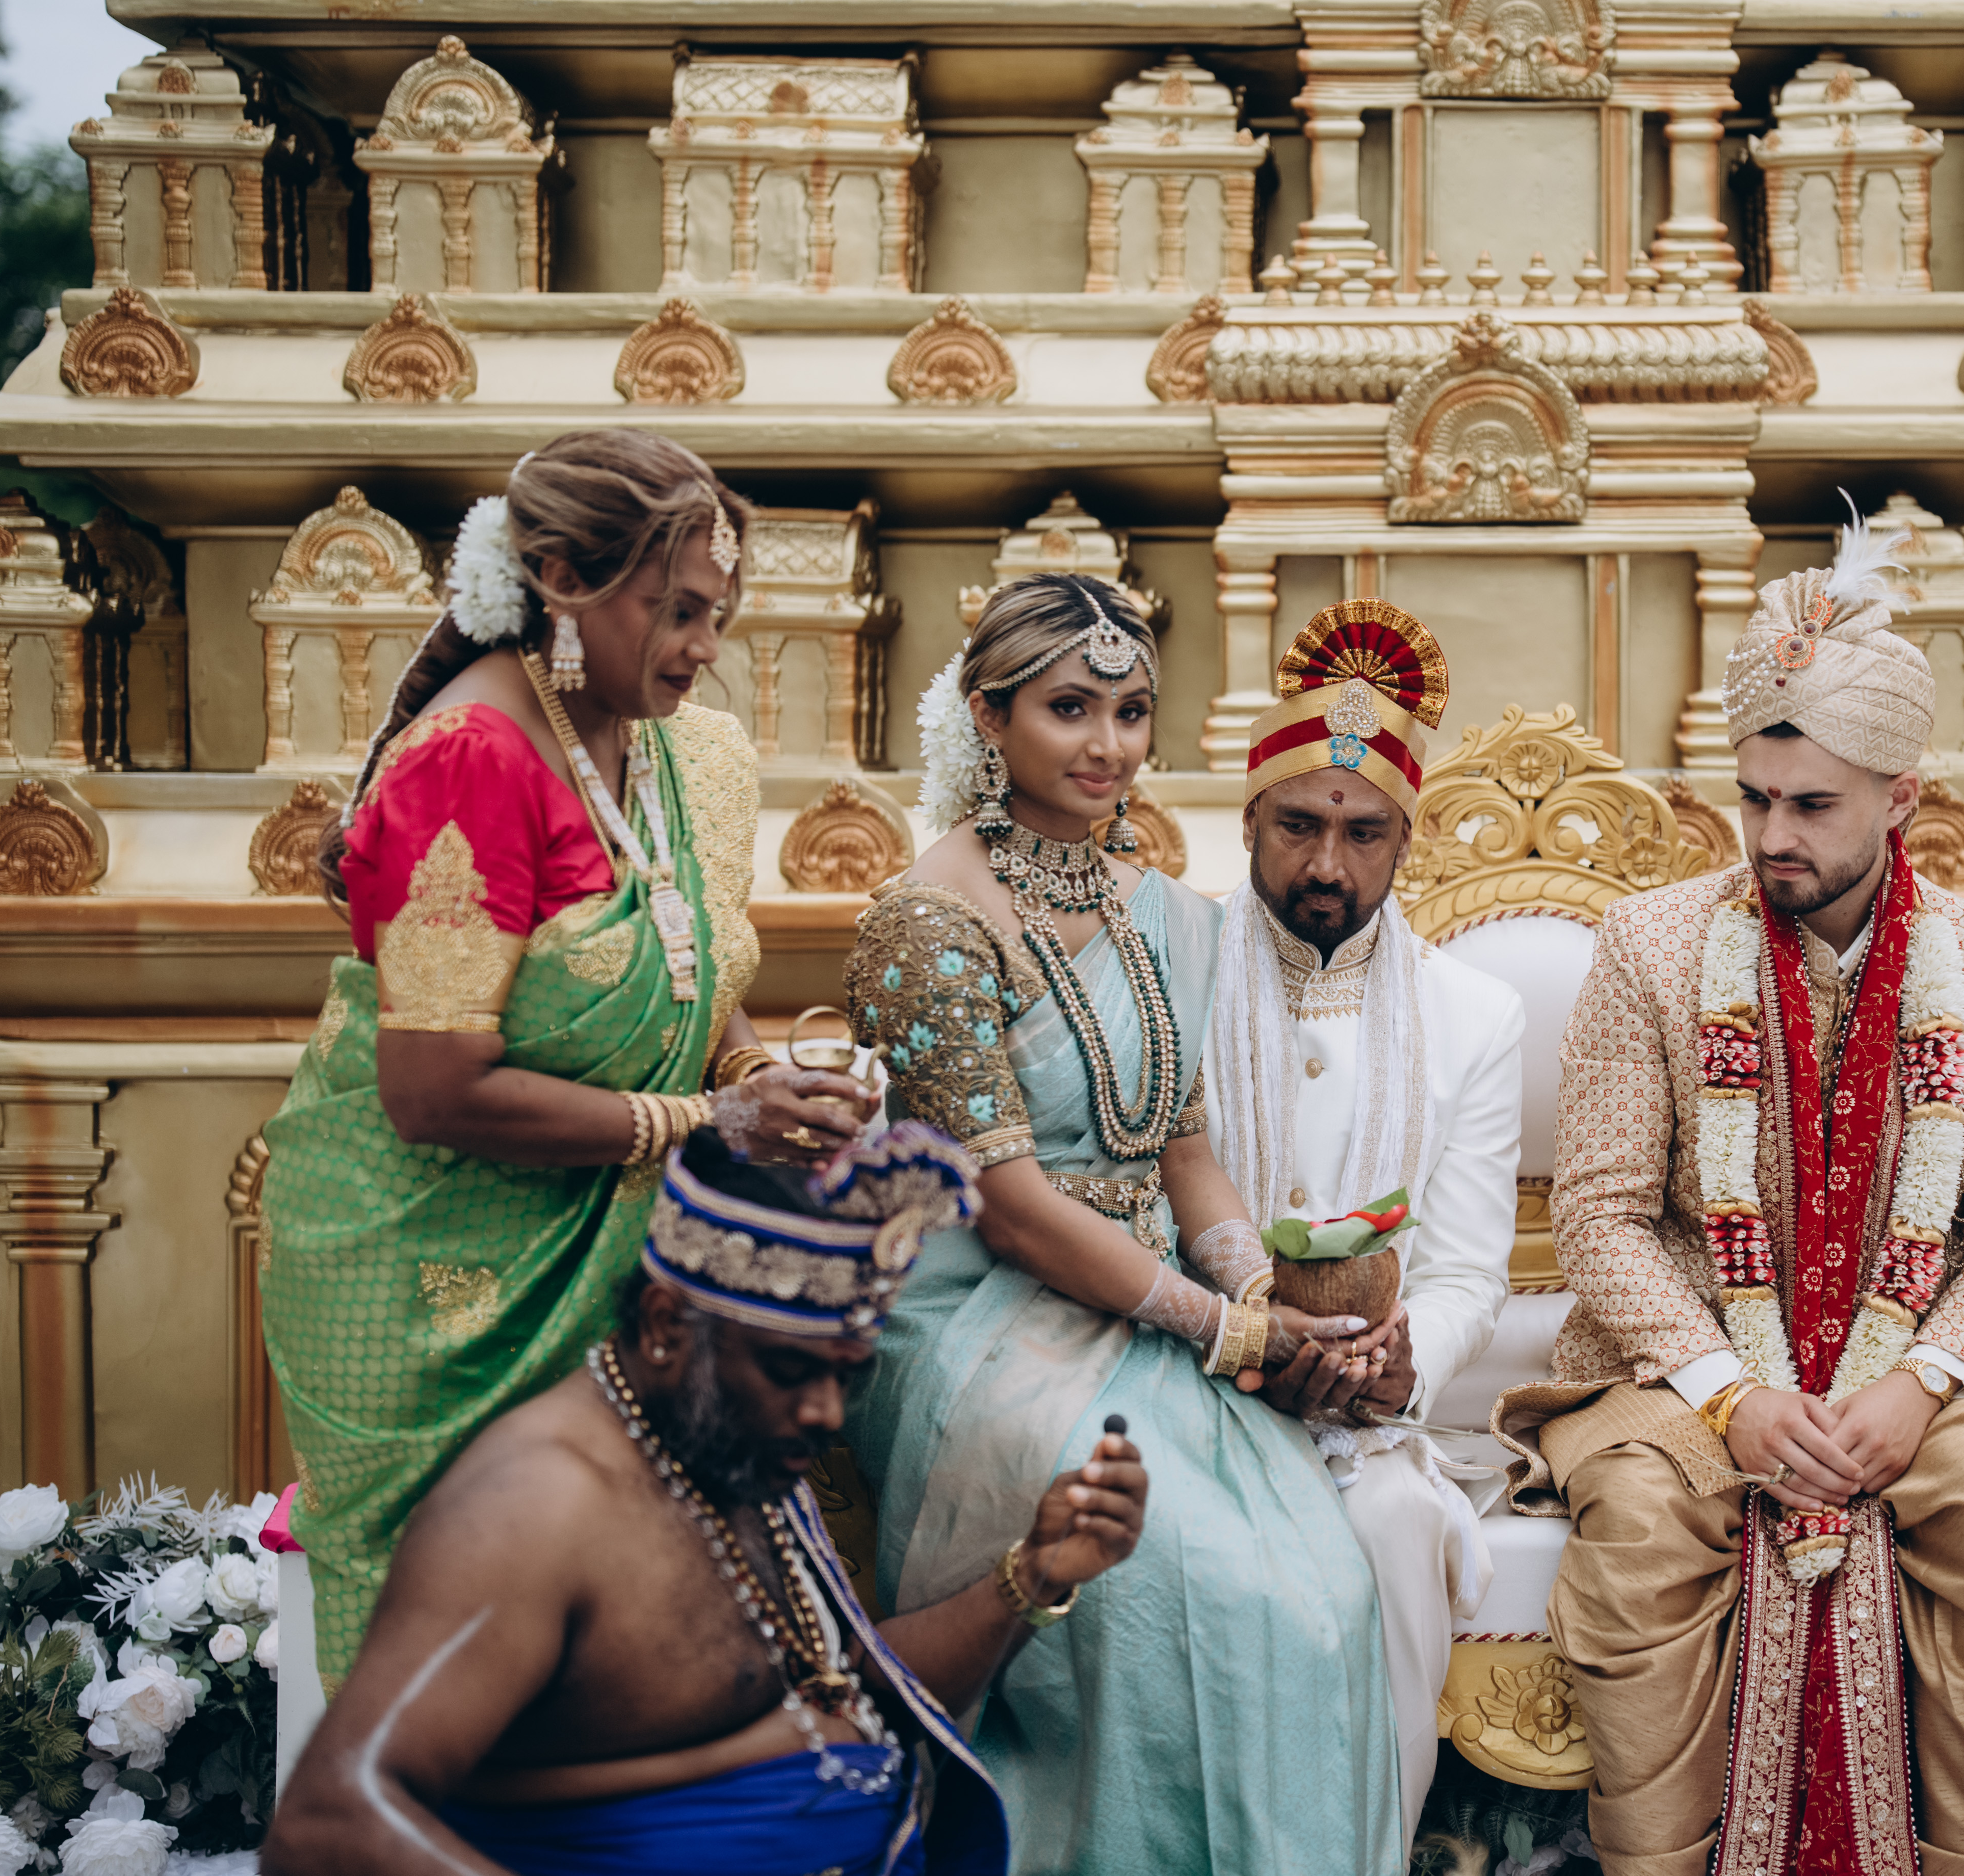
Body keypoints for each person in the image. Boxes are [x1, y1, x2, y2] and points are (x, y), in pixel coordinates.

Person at [1496, 509, 1964, 1876]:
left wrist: (1919, 1385)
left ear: (1902, 798)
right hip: (1681, 1370)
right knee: (1642, 1527)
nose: (1772, 833)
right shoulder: (1651, 947)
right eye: (1754, 797)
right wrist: (1733, 1395)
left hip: (1926, 1369)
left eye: (1811, 804)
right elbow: (1600, 1216)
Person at [262, 430, 876, 1685]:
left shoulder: (683, 748)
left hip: (629, 1265)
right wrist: (706, 1124)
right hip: (442, 1282)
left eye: (719, 614)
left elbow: (696, 973)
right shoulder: (472, 759)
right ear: (558, 578)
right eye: (678, 610)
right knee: (493, 1663)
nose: (706, 648)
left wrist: (753, 1076)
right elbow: (432, 1089)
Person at [839, 572, 1401, 1872]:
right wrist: (1222, 1328)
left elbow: (1182, 1149)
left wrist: (1256, 1289)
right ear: (988, 716)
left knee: (1320, 1591)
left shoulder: (1155, 908)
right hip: (982, 1319)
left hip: (1151, 1306)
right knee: (1195, 1579)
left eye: (1132, 711)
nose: (1107, 745)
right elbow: (1011, 1208)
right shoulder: (926, 921)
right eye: (1069, 709)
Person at [265, 1121, 1147, 1876]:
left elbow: (840, 1694)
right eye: (790, 1369)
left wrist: (1031, 1576)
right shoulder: (536, 1504)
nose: (825, 1412)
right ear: (663, 1326)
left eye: (845, 1374)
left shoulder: (728, 1446)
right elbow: (330, 1822)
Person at [1204, 599, 1527, 1851]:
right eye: (1298, 824)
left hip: (1371, 1414)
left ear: (1408, 839)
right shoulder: (1173, 970)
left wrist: (1405, 1363)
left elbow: (1466, 1272)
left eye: (1362, 831)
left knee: (1392, 1523)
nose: (1327, 865)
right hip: (1198, 1375)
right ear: (1248, 820)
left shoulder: (1474, 1014)